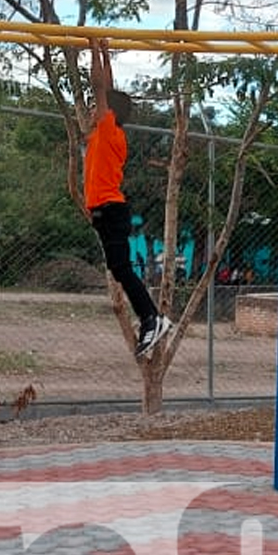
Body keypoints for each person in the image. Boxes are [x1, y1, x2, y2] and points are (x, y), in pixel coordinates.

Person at [85, 38, 172, 361]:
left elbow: (100, 87)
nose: (94, 110)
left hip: (111, 210)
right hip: (105, 211)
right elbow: (105, 90)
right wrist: (105, 53)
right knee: (117, 266)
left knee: (121, 268)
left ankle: (152, 318)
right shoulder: (104, 134)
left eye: (100, 107)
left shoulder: (109, 130)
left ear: (110, 112)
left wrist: (95, 50)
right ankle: (151, 318)